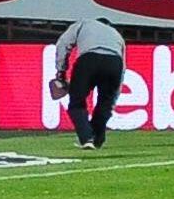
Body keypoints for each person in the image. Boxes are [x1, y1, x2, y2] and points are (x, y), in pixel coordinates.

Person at [48, 17, 126, 149]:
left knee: (76, 102)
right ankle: (97, 138)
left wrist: (60, 72)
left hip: (88, 60)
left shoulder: (83, 23)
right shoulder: (117, 35)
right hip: (114, 62)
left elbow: (63, 44)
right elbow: (122, 69)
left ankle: (86, 137)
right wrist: (114, 96)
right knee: (105, 104)